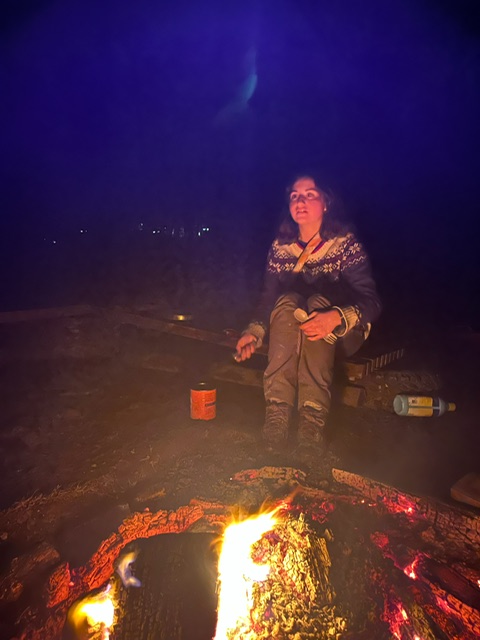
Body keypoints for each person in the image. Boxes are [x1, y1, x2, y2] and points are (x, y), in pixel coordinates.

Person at [235, 174, 381, 463]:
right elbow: (268, 298)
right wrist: (254, 332)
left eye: (310, 194)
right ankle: (276, 419)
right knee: (287, 303)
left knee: (317, 305)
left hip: (341, 333)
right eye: (294, 196)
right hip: (292, 330)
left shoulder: (344, 244)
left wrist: (336, 316)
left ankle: (311, 425)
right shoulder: (282, 247)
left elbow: (372, 302)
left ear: (326, 202)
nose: (300, 201)